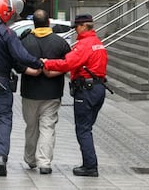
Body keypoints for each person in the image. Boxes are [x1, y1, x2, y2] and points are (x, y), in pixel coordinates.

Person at [0, 0, 44, 177]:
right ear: (5, 13)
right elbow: (21, 55)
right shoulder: (6, 33)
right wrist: (38, 63)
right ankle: (1, 157)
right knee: (4, 118)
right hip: (1, 81)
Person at [42, 14, 108, 177]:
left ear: (85, 26)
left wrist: (46, 63)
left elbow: (67, 63)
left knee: (83, 129)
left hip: (86, 90)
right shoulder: (98, 43)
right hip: (99, 88)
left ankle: (90, 166)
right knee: (87, 127)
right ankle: (89, 163)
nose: (76, 31)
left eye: (77, 27)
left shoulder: (83, 45)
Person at [17, 9, 71, 175]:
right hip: (52, 92)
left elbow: (16, 62)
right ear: (49, 23)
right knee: (47, 127)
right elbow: (68, 63)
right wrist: (52, 71)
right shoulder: (59, 42)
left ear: (34, 24)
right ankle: (44, 163)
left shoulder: (25, 42)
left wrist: (31, 71)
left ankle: (30, 159)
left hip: (30, 92)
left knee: (31, 127)